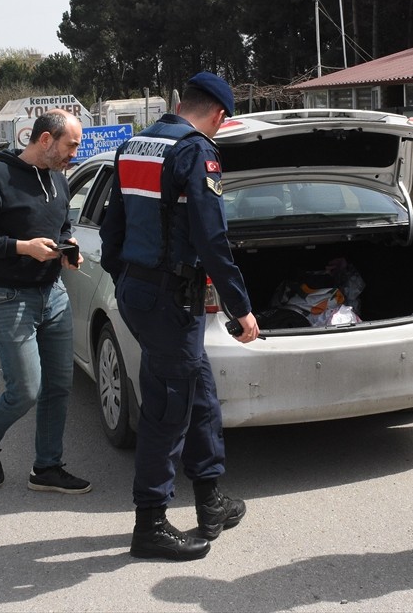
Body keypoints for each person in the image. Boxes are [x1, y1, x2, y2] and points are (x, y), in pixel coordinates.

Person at [100, 72, 259, 562]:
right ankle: (150, 524)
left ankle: (211, 501)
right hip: (170, 299)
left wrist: (130, 279)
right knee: (168, 409)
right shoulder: (195, 151)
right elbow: (212, 239)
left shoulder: (135, 146)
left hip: (141, 291)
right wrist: (241, 307)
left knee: (200, 391)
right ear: (218, 115)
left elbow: (113, 225)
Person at [0, 110, 93, 494]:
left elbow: (61, 226)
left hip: (54, 295)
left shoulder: (59, 180)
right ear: (46, 140)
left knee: (58, 386)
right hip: (8, 297)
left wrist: (70, 246)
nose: (75, 153)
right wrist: (22, 248)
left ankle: (47, 468)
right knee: (26, 389)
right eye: (71, 144)